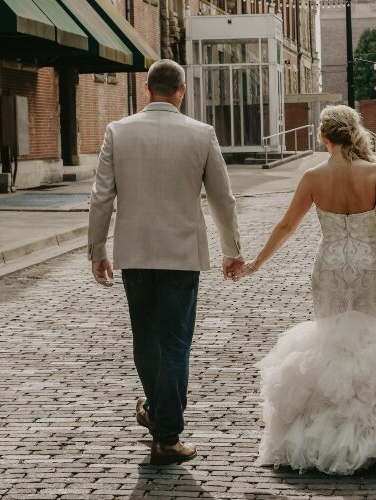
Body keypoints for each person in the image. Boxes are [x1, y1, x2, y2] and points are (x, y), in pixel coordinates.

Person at [234, 105, 376, 474]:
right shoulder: (375, 173)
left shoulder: (312, 177)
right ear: (354, 133)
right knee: (369, 337)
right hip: (369, 266)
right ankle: (375, 429)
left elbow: (286, 226)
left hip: (330, 268)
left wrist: (257, 262)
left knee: (332, 341)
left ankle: (329, 430)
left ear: (323, 136)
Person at [87, 59, 244, 465]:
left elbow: (101, 196)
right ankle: (167, 436)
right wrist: (232, 249)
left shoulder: (117, 132)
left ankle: (159, 416)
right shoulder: (201, 134)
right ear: (181, 91)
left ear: (146, 89)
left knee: (145, 339)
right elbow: (222, 199)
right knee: (175, 344)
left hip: (134, 255)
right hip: (181, 256)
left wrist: (97, 250)